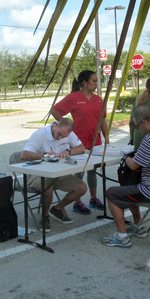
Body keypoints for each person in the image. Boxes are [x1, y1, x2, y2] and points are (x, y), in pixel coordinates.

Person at [103, 106, 150, 248]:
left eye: (137, 126)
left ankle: (121, 237)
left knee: (112, 193)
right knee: (129, 186)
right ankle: (138, 226)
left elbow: (134, 165)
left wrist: (126, 157)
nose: (138, 130)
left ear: (143, 122)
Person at [51, 70, 109, 213]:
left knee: (93, 170)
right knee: (79, 171)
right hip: (78, 143)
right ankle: (77, 202)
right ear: (85, 83)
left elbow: (102, 120)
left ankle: (93, 199)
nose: (96, 84)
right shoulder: (74, 97)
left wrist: (107, 138)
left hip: (95, 141)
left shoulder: (98, 99)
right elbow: (54, 110)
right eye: (94, 81)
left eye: (97, 81)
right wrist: (67, 127)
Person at [21, 118, 87, 231]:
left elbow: (81, 148)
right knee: (47, 186)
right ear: (56, 125)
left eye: (63, 137)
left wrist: (69, 151)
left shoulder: (67, 133)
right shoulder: (40, 135)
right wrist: (44, 155)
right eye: (59, 134)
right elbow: (24, 155)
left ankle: (57, 209)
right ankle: (44, 216)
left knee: (81, 188)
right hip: (37, 173)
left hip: (57, 172)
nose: (59, 138)